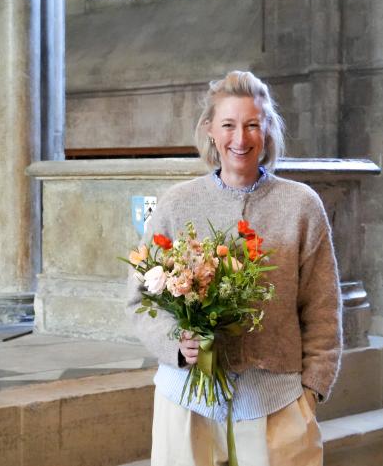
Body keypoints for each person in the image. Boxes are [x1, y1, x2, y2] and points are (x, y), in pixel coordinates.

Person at [126, 70, 342, 466]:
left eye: (252, 125)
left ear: (268, 130)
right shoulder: (176, 204)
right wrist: (175, 343)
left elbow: (323, 305)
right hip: (187, 399)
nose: (240, 139)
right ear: (210, 129)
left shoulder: (301, 206)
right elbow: (140, 296)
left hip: (275, 398)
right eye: (228, 125)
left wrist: (313, 388)